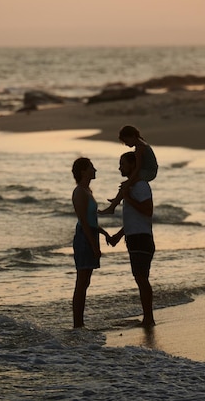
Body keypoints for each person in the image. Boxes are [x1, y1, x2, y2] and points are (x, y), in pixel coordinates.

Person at [108, 151, 156, 327]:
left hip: (141, 238)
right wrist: (118, 236)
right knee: (140, 278)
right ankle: (148, 317)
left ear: (132, 165)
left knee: (141, 278)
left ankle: (149, 318)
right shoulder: (132, 186)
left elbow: (148, 210)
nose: (120, 167)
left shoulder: (141, 186)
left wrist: (127, 198)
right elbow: (133, 219)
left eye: (122, 164)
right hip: (134, 237)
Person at [71, 157, 110, 328]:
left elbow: (91, 221)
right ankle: (77, 324)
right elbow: (84, 222)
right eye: (91, 167)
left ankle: (80, 323)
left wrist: (103, 233)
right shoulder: (79, 192)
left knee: (86, 281)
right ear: (83, 171)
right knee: (82, 281)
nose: (95, 170)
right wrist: (94, 246)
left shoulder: (88, 191)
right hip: (84, 237)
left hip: (91, 235)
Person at [99, 125, 158, 215]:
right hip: (150, 171)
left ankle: (113, 206)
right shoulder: (143, 144)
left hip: (148, 172)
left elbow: (137, 167)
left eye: (126, 141)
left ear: (133, 136)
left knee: (126, 185)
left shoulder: (139, 148)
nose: (126, 144)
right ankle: (115, 202)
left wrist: (130, 181)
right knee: (126, 185)